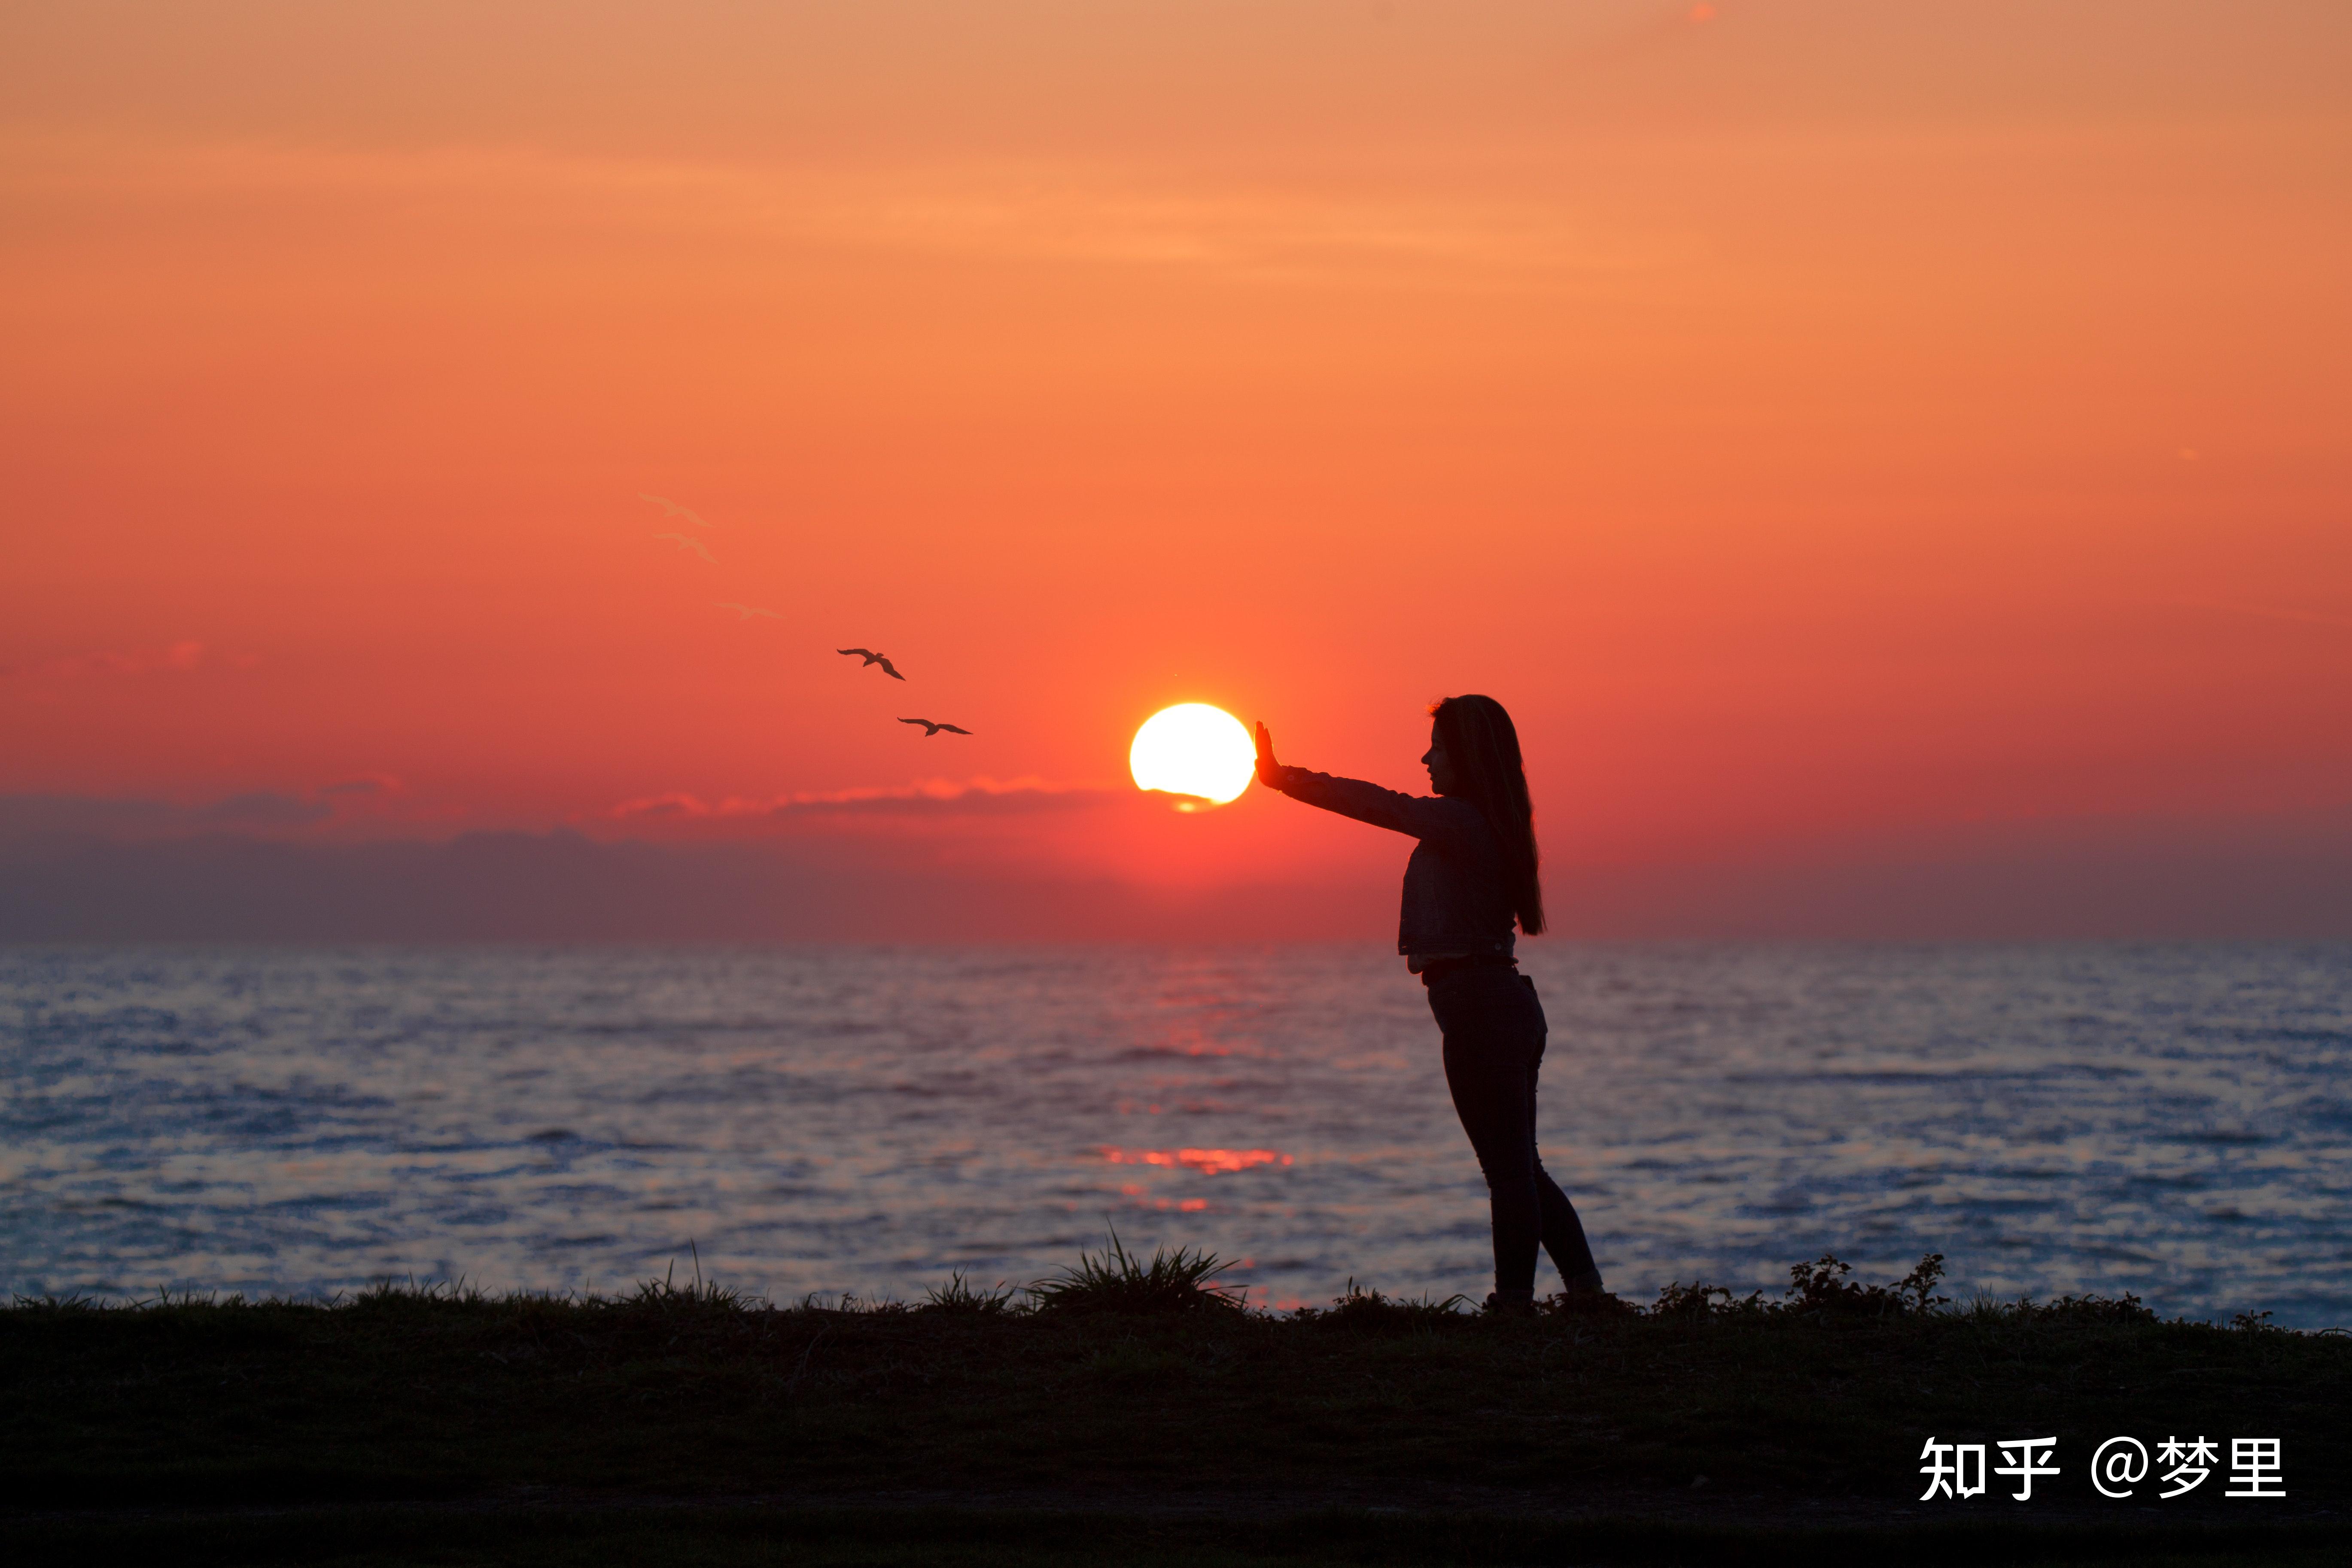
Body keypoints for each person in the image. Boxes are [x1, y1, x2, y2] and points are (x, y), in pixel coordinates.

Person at [1253, 695, 1604, 1313]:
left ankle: (1515, 1305)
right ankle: (1585, 1295)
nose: (1425, 757)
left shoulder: (1463, 822)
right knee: (1522, 1168)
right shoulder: (1485, 823)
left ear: (1465, 756)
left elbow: (1375, 804)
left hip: (1481, 1007)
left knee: (1509, 1173)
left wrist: (1284, 780)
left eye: (1437, 747)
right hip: (1501, 1004)